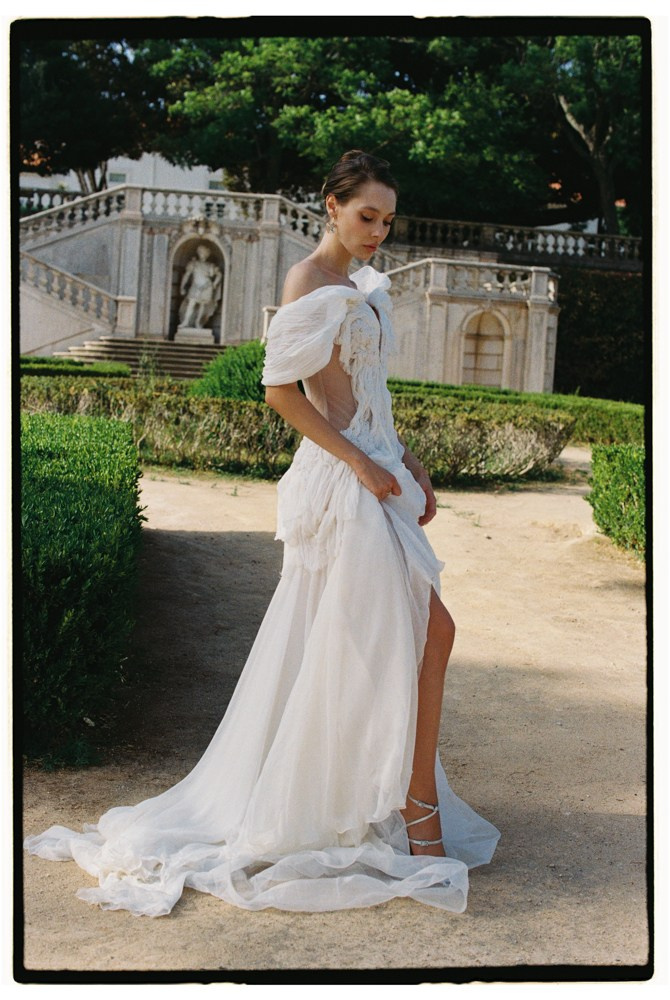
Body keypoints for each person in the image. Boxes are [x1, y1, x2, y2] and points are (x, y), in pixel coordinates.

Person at [24, 151, 499, 917]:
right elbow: (282, 392)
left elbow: (368, 389)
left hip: (377, 470)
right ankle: (414, 812)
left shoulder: (362, 285)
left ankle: (381, 799)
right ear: (332, 207)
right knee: (423, 632)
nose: (377, 230)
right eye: (365, 215)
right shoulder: (309, 282)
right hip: (342, 484)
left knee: (386, 637)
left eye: (386, 219)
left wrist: (406, 459)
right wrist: (360, 465)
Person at [178, 243, 222, 329]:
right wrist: (182, 287)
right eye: (200, 252)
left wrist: (214, 284)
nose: (202, 254)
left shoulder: (210, 265)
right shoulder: (193, 263)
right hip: (196, 287)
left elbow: (219, 275)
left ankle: (198, 323)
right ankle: (186, 321)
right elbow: (186, 276)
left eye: (203, 252)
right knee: (191, 304)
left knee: (202, 306)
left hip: (207, 287)